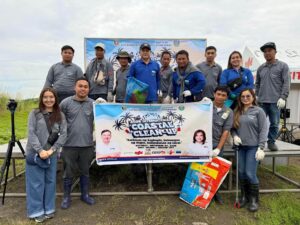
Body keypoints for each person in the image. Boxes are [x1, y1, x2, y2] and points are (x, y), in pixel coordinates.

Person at [25, 88, 67, 223]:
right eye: (45, 97)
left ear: (55, 98)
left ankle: (49, 208)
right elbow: (31, 133)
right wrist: (40, 150)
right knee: (36, 183)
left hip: (51, 153)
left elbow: (64, 135)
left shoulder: (60, 115)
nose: (48, 100)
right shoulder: (35, 113)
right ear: (41, 99)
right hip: (35, 154)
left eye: (51, 97)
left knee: (50, 182)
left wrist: (51, 150)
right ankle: (36, 211)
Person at [60, 77, 95, 209]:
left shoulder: (93, 104)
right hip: (69, 145)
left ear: (89, 89)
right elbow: (58, 122)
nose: (83, 89)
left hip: (87, 145)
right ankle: (66, 197)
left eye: (85, 87)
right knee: (68, 172)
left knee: (85, 172)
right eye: (80, 86)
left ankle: (85, 195)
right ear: (75, 87)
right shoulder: (65, 103)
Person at [231, 88, 268, 212]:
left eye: (248, 96)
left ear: (253, 97)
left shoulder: (259, 111)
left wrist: (261, 147)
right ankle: (244, 197)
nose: (245, 98)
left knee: (250, 173)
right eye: (243, 97)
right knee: (241, 173)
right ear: (240, 98)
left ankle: (253, 200)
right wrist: (235, 136)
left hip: (253, 147)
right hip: (241, 148)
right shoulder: (237, 111)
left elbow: (263, 129)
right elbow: (233, 128)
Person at [256, 42, 290, 151]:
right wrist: (256, 95)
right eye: (265, 52)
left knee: (274, 124)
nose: (267, 53)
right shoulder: (261, 68)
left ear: (275, 51)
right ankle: (257, 144)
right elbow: (257, 83)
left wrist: (283, 97)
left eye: (269, 50)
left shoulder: (283, 66)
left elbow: (286, 83)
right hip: (261, 102)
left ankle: (271, 142)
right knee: (258, 124)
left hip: (276, 102)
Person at [209, 86, 233, 204]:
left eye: (223, 95)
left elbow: (225, 132)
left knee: (216, 171)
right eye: (218, 94)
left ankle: (216, 193)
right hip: (202, 144)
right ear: (214, 94)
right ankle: (202, 194)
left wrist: (218, 148)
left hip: (217, 144)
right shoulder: (205, 106)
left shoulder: (229, 111)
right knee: (201, 169)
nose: (220, 97)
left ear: (227, 97)